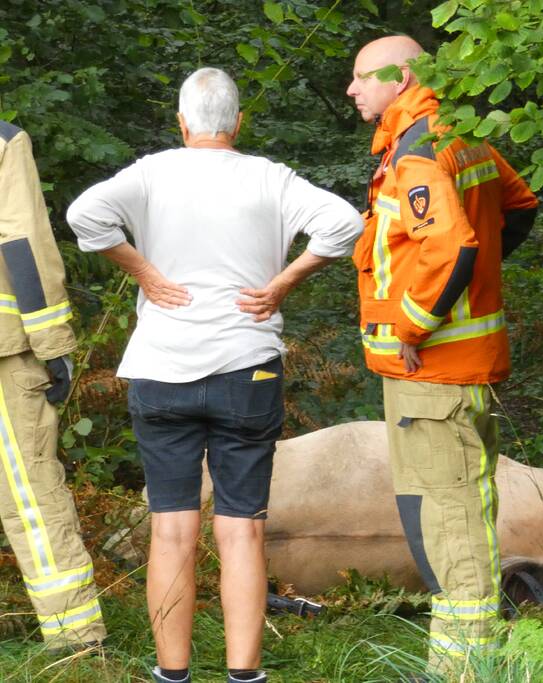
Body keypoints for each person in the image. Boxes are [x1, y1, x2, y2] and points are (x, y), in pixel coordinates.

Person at [67, 67, 363, 683]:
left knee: (171, 533)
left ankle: (172, 675)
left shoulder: (150, 173)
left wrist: (142, 271)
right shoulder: (269, 178)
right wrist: (282, 282)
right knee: (242, 534)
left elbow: (83, 216)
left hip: (161, 369)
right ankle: (243, 676)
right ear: (239, 123)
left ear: (181, 123)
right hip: (246, 372)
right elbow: (344, 224)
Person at [344, 35, 538, 675]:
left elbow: (454, 248)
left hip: (431, 371)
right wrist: (475, 288)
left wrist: (415, 325)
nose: (352, 89)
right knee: (459, 511)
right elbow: (519, 207)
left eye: (362, 78)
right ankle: (469, 656)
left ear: (399, 79)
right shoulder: (461, 135)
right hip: (458, 367)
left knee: (449, 519)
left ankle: (463, 667)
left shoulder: (420, 152)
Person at [0, 122, 107, 651]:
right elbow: (23, 243)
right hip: (4, 351)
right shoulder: (2, 141)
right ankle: (73, 638)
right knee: (30, 494)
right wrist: (53, 344)